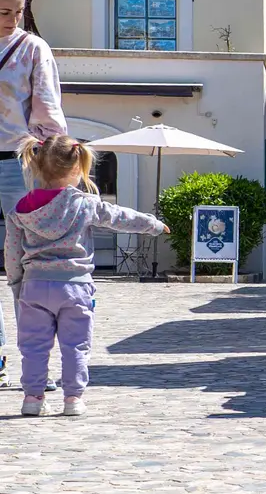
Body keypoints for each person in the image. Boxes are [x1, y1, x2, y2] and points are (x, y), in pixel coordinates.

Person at [6, 136, 166, 416]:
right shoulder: (85, 204)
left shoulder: (20, 209)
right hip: (75, 286)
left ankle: (32, 398)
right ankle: (73, 399)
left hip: (34, 285)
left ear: (37, 166)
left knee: (32, 347)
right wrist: (153, 224)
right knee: (76, 346)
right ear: (79, 169)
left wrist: (16, 283)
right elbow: (120, 217)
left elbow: (11, 252)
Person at [0, 0, 67, 389]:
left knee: (26, 268)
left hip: (20, 165)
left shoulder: (31, 48)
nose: (12, 18)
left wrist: (58, 170)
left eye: (17, 11)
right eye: (4, 12)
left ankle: (35, 366)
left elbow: (48, 108)